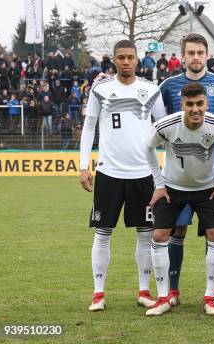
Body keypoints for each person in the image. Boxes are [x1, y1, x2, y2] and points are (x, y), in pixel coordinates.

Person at [80, 40, 166, 312]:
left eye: (131, 57)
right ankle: (98, 293)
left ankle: (143, 290)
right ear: (114, 60)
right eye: (121, 57)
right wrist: (84, 165)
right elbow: (88, 126)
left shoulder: (151, 90)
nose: (126, 61)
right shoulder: (101, 88)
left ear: (138, 60)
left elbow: (165, 127)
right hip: (109, 172)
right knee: (103, 233)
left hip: (144, 174)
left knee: (145, 234)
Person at [159, 33, 214, 307]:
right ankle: (173, 289)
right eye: (190, 52)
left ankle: (213, 290)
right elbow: (163, 125)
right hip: (179, 175)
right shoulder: (169, 86)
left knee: (212, 231)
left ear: (207, 55)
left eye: (200, 53)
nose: (195, 57)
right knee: (177, 230)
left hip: (213, 176)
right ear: (183, 55)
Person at [144, 82, 214, 316]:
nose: (195, 109)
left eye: (199, 104)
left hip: (207, 188)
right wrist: (159, 184)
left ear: (206, 104)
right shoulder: (166, 125)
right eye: (189, 104)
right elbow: (148, 147)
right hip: (172, 187)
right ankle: (163, 297)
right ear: (182, 105)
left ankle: (210, 298)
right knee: (160, 235)